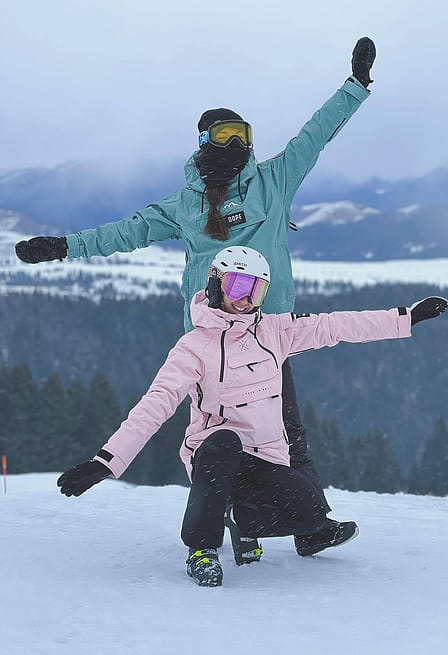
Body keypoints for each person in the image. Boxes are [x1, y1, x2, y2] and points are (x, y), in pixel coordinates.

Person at [17, 37, 377, 556]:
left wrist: (356, 86)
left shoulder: (273, 181)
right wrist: (63, 247)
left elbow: (315, 136)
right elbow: (125, 232)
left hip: (271, 331)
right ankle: (251, 520)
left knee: (282, 432)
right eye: (226, 134)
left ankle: (303, 525)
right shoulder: (185, 205)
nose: (237, 144)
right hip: (209, 340)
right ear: (204, 139)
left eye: (244, 134)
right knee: (222, 439)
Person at [57, 246, 448, 587]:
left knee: (310, 510)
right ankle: (202, 549)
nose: (244, 300)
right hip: (213, 456)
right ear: (215, 285)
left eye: (255, 290)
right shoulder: (193, 347)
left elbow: (335, 325)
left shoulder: (275, 332)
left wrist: (404, 318)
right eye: (237, 287)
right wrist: (106, 462)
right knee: (225, 440)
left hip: (265, 458)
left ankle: (242, 520)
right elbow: (155, 404)